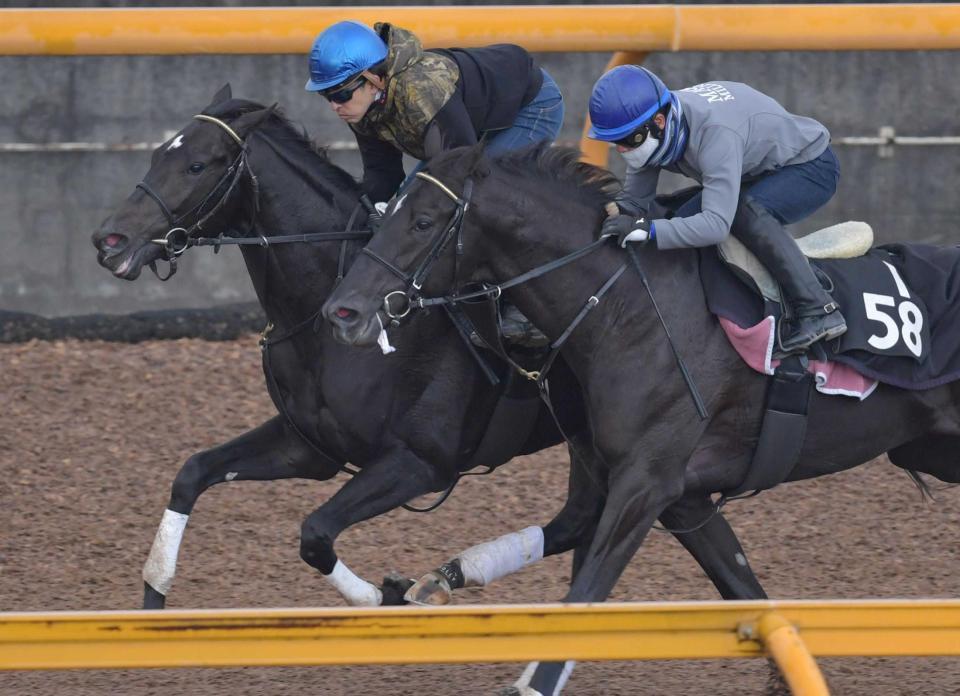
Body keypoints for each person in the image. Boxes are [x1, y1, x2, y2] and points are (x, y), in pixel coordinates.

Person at [305, 20, 565, 345]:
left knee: (479, 200)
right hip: (470, 124)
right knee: (408, 208)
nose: (334, 105)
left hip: (528, 108)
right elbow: (382, 176)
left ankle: (522, 310)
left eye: (340, 92)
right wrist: (368, 221)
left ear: (373, 78)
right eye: (326, 96)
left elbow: (458, 176)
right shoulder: (363, 107)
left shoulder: (421, 91)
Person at [588, 65, 846, 354]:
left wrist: (646, 230)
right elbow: (635, 204)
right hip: (753, 170)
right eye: (615, 142)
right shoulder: (653, 123)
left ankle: (818, 309)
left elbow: (715, 225)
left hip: (810, 166)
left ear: (659, 121)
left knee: (741, 213)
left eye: (629, 140)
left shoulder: (714, 133)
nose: (622, 150)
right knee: (678, 220)